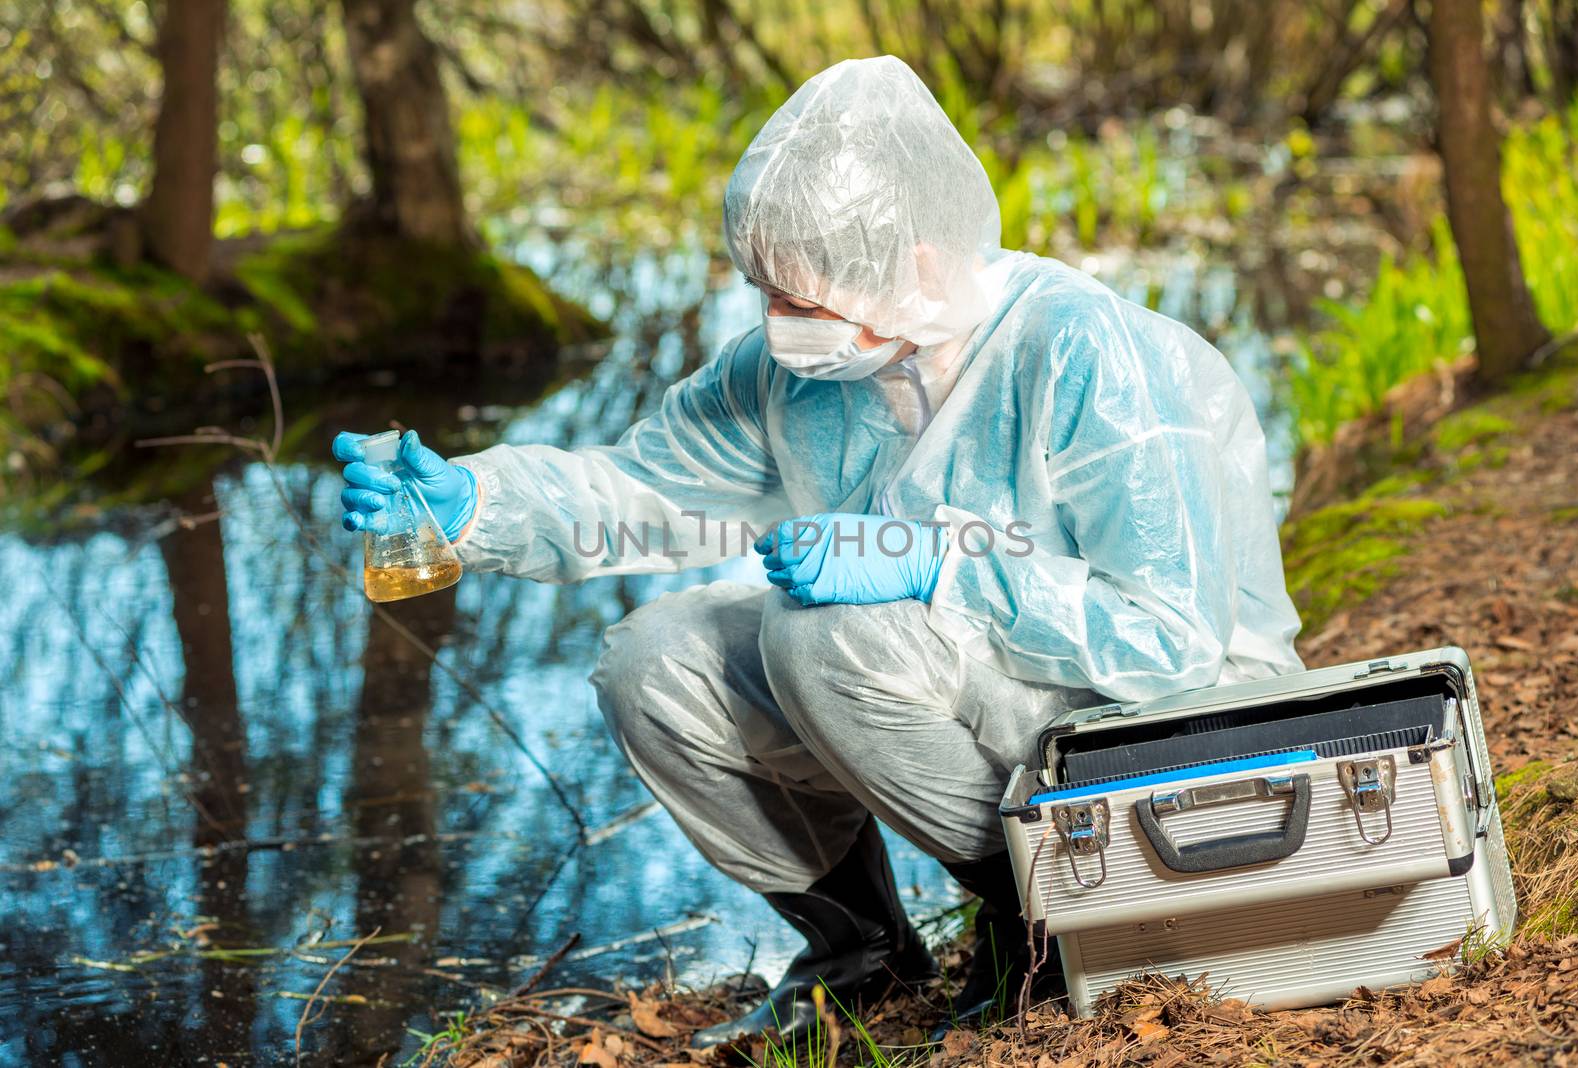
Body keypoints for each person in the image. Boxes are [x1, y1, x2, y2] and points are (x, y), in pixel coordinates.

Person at [334, 55, 1303, 1046]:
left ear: (920, 262)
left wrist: (934, 565)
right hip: (956, 680)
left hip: (1166, 712)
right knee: (654, 663)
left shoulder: (1086, 352)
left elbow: (1170, 636)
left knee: (820, 630)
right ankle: (862, 953)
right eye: (765, 291)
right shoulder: (794, 372)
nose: (777, 326)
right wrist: (475, 502)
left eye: (803, 298)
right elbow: (641, 491)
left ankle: (1040, 917)